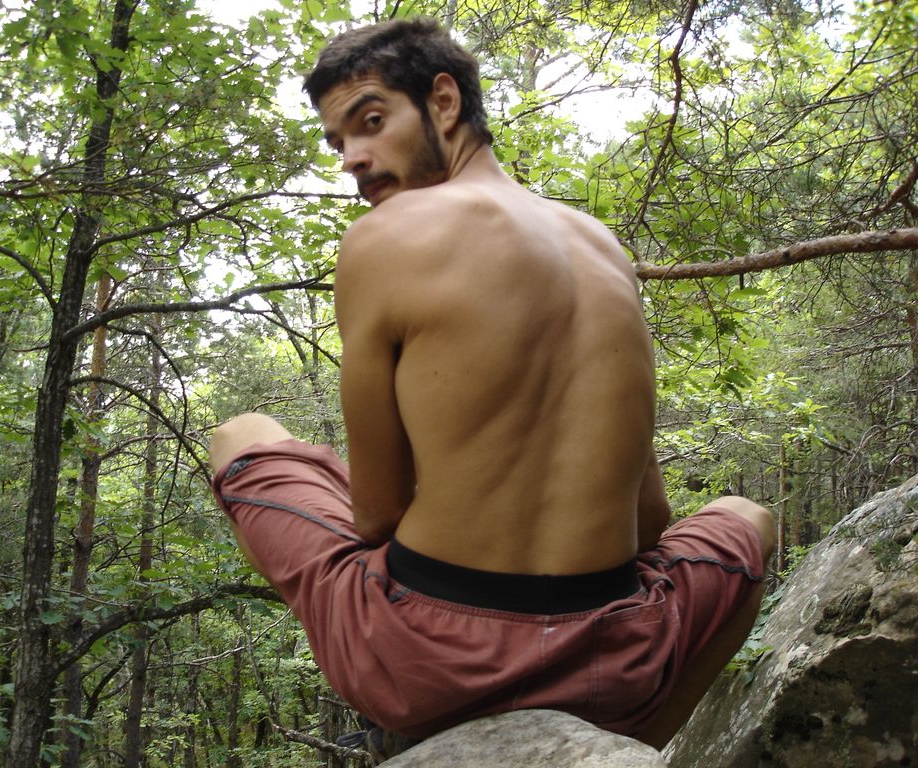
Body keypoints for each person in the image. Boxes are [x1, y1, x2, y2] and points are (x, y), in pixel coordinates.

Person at [209, 17, 774, 752]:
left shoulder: (382, 237)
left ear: (443, 102)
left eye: (370, 122)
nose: (352, 159)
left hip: (423, 662)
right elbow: (650, 522)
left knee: (242, 434)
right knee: (747, 519)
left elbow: (376, 517)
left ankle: (436, 723)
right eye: (338, 142)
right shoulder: (604, 248)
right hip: (621, 660)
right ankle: (641, 744)